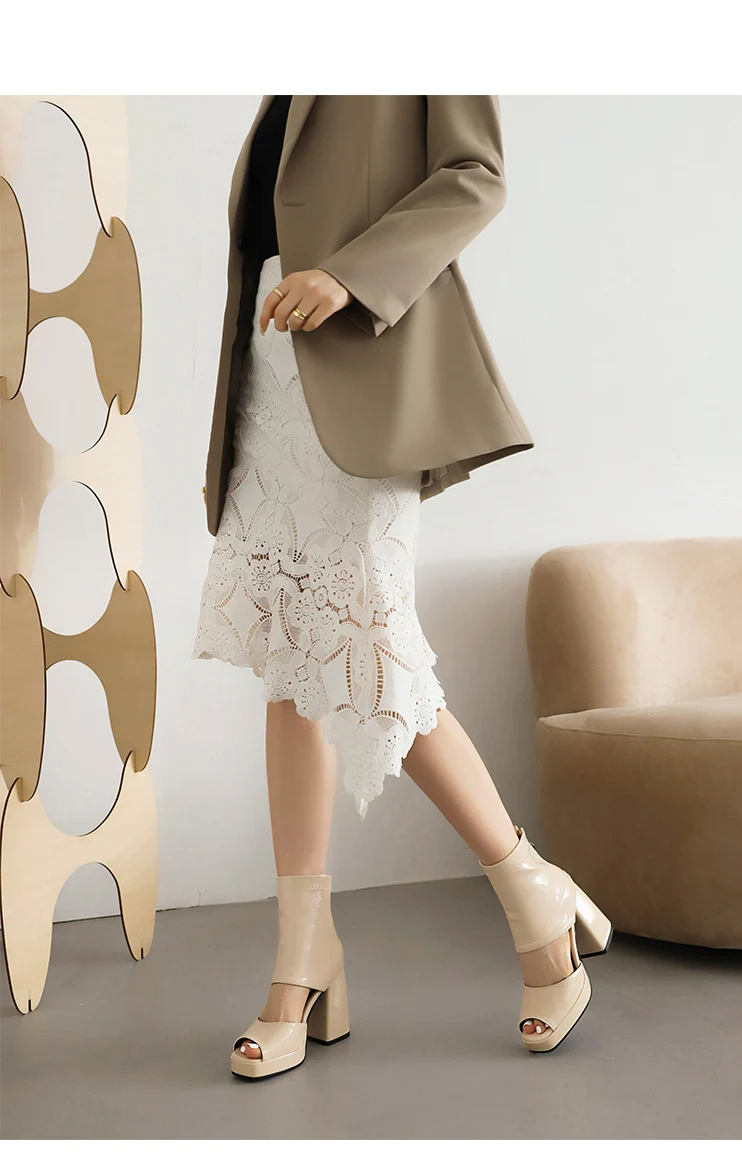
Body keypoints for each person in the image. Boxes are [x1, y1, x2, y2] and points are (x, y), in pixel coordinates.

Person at [192, 96, 611, 1080]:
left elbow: (475, 174)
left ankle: (532, 890)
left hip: (366, 361)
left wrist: (350, 274)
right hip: (271, 367)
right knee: (292, 655)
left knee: (366, 646)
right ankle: (304, 957)